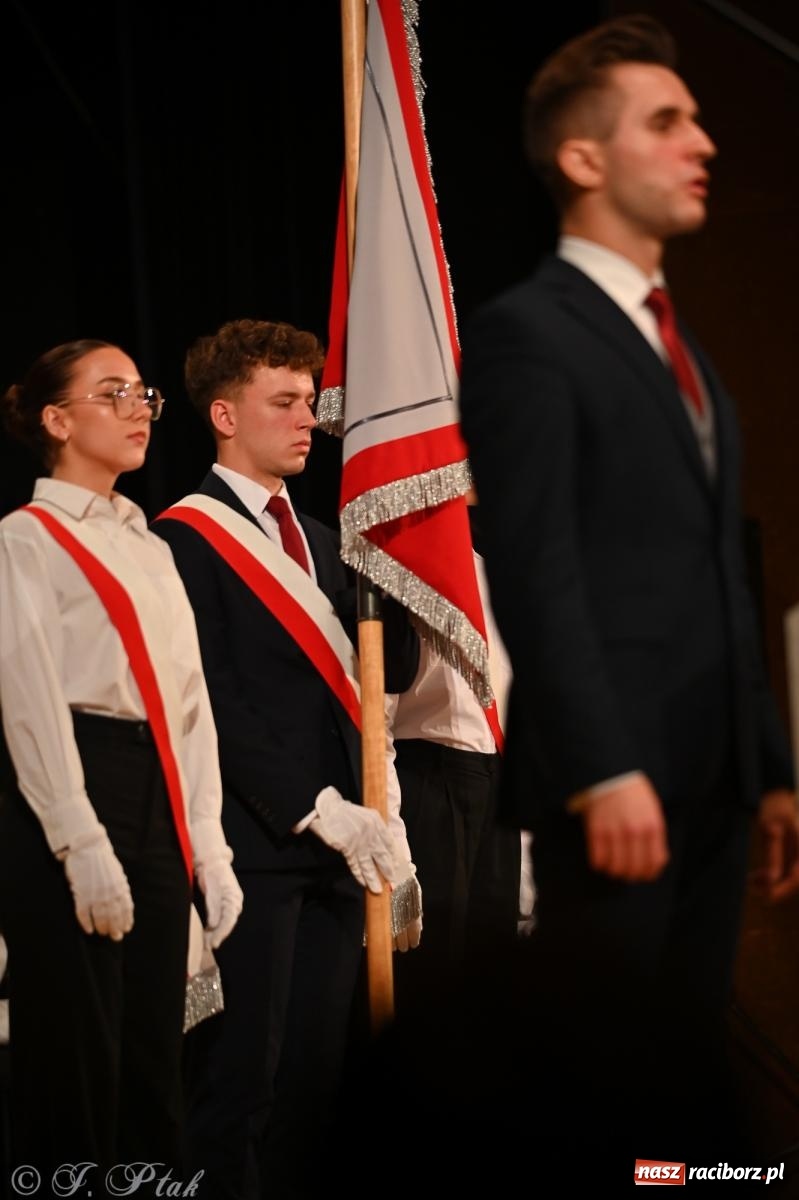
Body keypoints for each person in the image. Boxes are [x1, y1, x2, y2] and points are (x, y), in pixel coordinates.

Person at [457, 13, 799, 1168]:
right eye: (668, 120)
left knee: (681, 1100)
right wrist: (602, 764)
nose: (702, 141)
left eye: (699, 116)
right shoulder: (527, 336)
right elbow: (538, 568)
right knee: (601, 1092)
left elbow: (718, 573)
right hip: (615, 786)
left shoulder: (680, 345)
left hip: (714, 782)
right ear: (584, 160)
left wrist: (770, 767)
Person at [152, 318, 421, 1200]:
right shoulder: (183, 539)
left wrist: (400, 563)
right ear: (224, 415)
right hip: (257, 845)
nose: (308, 419)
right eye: (284, 402)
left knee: (318, 1085)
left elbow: (389, 678)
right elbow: (210, 700)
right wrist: (313, 802)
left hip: (347, 851)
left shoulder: (320, 534)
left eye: (310, 401)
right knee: (242, 1087)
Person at [0, 340, 243, 1187]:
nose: (141, 407)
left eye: (143, 393)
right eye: (114, 394)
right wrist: (76, 835)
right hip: (70, 786)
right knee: (74, 1058)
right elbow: (26, 693)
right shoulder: (23, 540)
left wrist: (207, 846)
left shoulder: (148, 544)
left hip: (158, 793)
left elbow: (190, 707)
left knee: (151, 1057)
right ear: (57, 420)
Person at [387, 502, 521, 1011]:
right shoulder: (397, 565)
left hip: (496, 781)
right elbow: (374, 719)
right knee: (433, 983)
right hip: (431, 781)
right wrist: (393, 854)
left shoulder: (496, 568)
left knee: (493, 979)